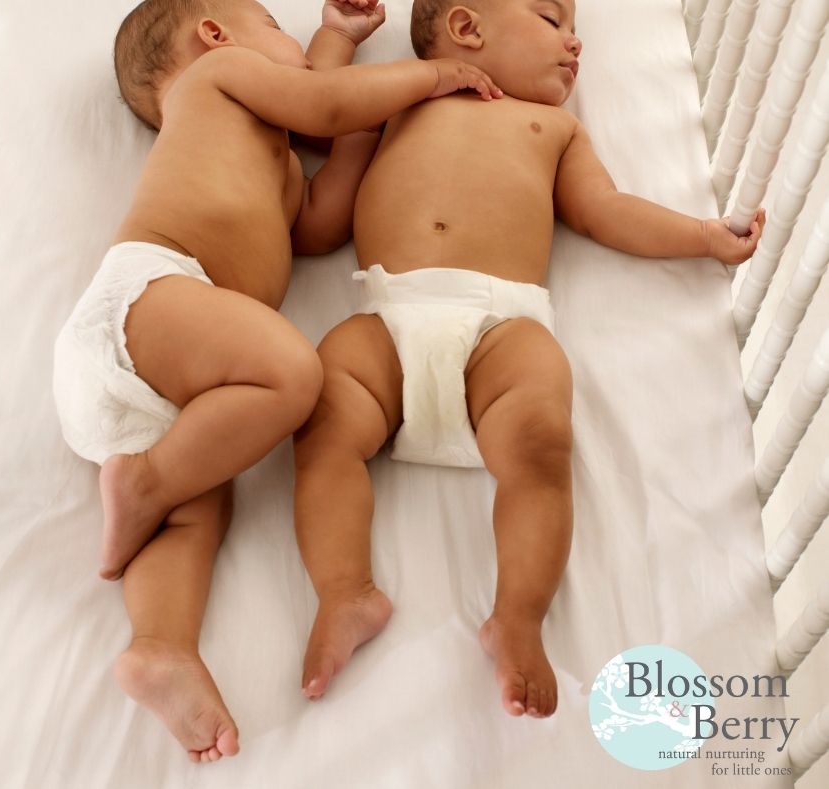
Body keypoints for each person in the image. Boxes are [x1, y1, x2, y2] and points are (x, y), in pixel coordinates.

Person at [52, 0, 502, 763]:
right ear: (216, 37)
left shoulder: (274, 165)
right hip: (147, 295)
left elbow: (322, 216)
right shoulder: (217, 81)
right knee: (295, 374)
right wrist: (426, 76)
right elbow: (321, 102)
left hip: (171, 382)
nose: (292, 46)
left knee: (198, 514)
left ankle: (161, 646)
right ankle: (147, 483)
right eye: (279, 29)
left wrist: (348, 68)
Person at [293, 0, 765, 721]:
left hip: (501, 328)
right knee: (323, 425)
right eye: (553, 21)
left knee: (542, 444)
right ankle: (343, 590)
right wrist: (340, 36)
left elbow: (606, 210)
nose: (576, 44)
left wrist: (701, 234)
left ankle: (517, 617)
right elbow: (320, 108)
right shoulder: (400, 91)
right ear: (466, 28)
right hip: (387, 319)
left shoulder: (556, 128)